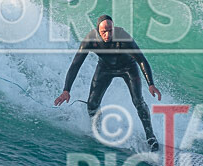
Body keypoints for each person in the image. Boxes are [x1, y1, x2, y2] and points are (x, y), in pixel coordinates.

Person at [54, 15, 162, 151]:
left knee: (138, 102)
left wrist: (150, 84)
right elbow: (76, 64)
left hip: (128, 68)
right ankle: (97, 130)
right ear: (98, 30)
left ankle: (150, 136)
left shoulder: (123, 37)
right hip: (105, 68)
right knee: (92, 104)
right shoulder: (90, 40)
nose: (108, 34)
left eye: (110, 30)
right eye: (104, 31)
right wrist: (66, 90)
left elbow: (141, 59)